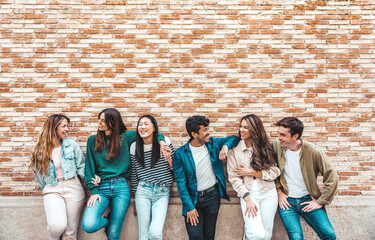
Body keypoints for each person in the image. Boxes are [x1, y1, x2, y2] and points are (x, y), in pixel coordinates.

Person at [81, 108, 170, 240]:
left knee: (113, 234)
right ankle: (108, 220)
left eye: (103, 120)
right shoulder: (92, 140)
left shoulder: (126, 137)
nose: (99, 123)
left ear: (113, 122)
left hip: (121, 188)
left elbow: (153, 133)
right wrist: (93, 190)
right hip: (101, 188)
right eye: (99, 119)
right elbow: (88, 168)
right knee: (89, 225)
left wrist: (162, 143)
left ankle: (112, 224)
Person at [173, 115, 240, 240]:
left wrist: (225, 146)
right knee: (195, 236)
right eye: (204, 130)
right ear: (194, 134)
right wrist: (189, 207)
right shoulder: (180, 154)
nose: (208, 132)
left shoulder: (213, 144)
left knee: (209, 236)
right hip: (193, 200)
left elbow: (235, 139)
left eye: (208, 129)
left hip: (212, 197)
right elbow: (181, 184)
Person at [273, 117, 338, 240]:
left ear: (295, 136)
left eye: (283, 135)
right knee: (296, 237)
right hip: (287, 202)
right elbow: (270, 169)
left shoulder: (313, 151)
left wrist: (321, 201)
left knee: (329, 235)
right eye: (278, 133)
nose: (278, 137)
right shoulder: (276, 146)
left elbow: (332, 177)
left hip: (308, 199)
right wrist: (279, 192)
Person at [30, 114, 85, 240]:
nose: (67, 129)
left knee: (70, 233)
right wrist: (48, 186)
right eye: (64, 126)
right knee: (56, 226)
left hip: (73, 187)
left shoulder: (72, 145)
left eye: (67, 126)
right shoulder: (40, 150)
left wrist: (92, 179)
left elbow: (81, 166)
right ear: (53, 128)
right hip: (52, 189)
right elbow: (38, 174)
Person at [227, 114, 280, 240]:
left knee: (266, 234)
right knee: (257, 234)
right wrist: (247, 198)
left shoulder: (265, 147)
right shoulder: (234, 150)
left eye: (246, 127)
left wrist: (252, 172)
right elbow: (234, 178)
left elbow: (275, 171)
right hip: (249, 194)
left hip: (269, 193)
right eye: (241, 126)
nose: (242, 130)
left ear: (254, 129)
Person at [130, 115, 175, 240]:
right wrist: (134, 200)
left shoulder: (165, 142)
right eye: (140, 124)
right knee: (143, 234)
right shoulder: (134, 147)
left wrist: (169, 156)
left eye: (146, 124)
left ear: (154, 128)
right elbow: (134, 175)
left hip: (162, 192)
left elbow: (174, 169)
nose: (142, 127)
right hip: (142, 191)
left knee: (155, 233)